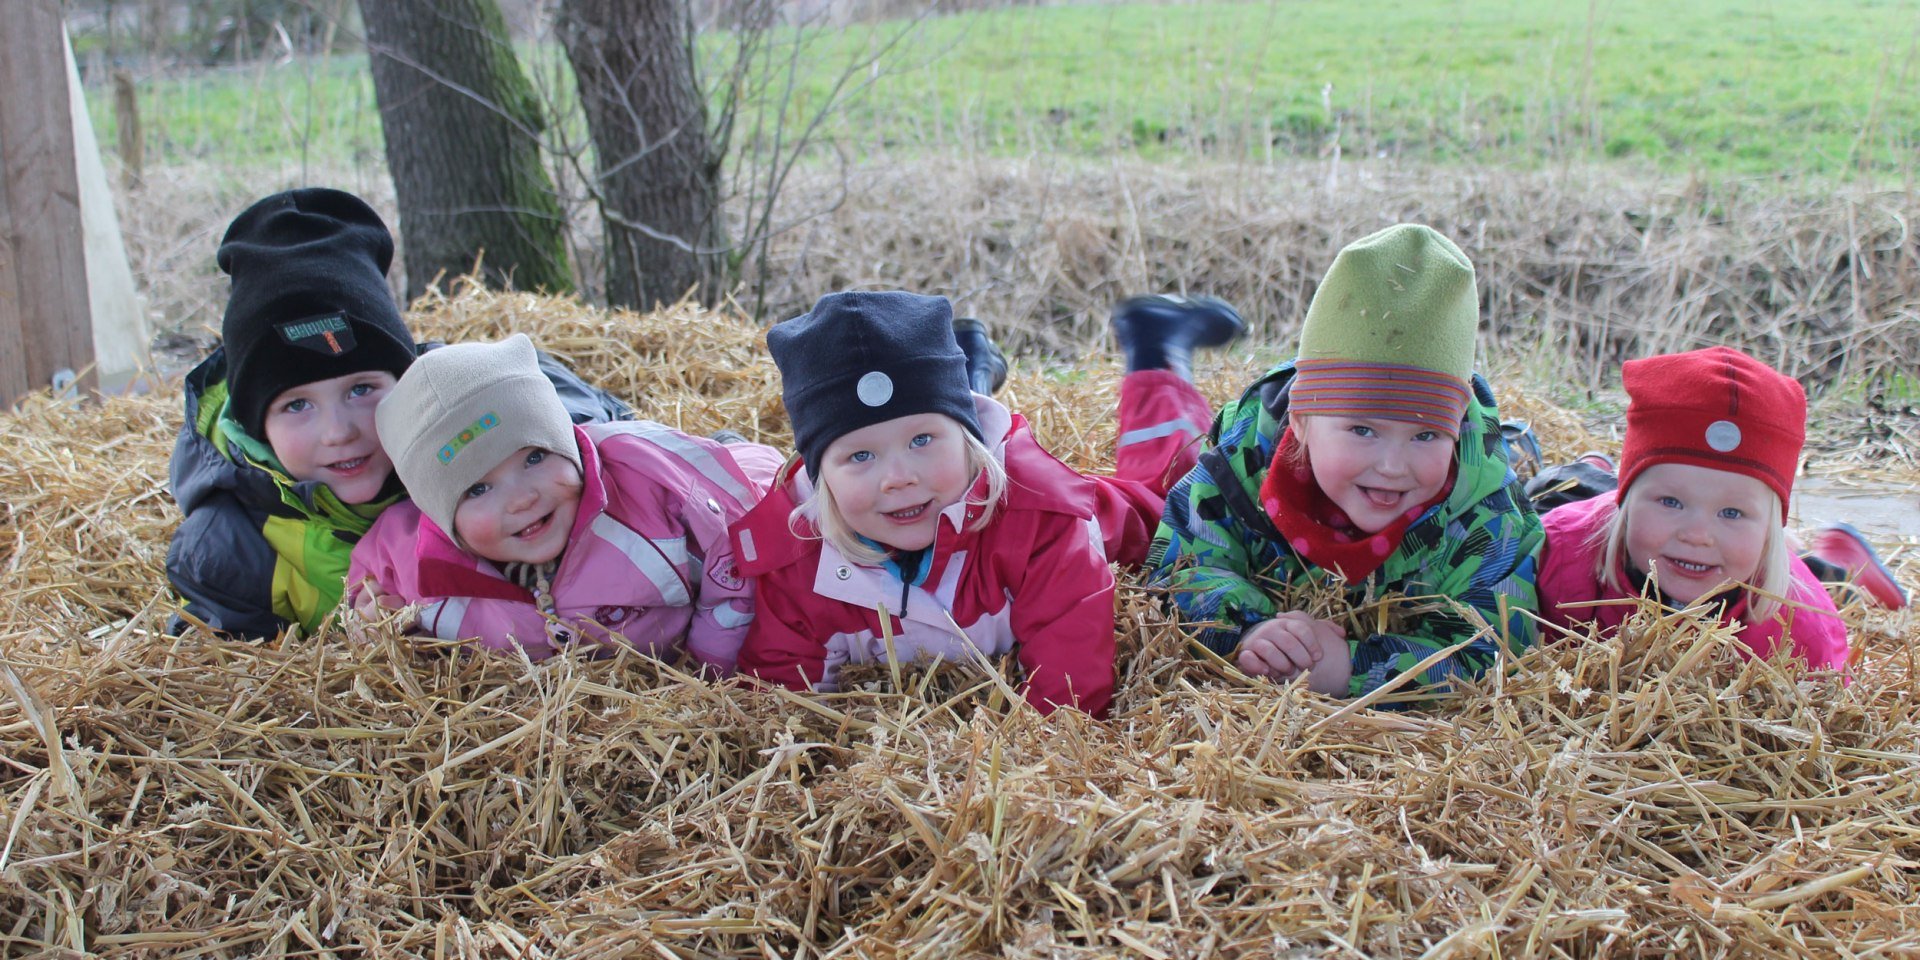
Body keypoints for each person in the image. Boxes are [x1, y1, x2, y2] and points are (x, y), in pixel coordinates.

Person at [731, 290, 1241, 718]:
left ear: (971, 444)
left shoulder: (1044, 522)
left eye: (922, 440)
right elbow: (779, 700)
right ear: (821, 478)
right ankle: (969, 372)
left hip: (1044, 507)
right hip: (962, 480)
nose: (898, 479)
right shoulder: (797, 554)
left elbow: (1069, 681)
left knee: (1176, 490)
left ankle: (1157, 347)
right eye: (859, 455)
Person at [166, 188, 628, 638]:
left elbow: (611, 439)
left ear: (404, 381)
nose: (338, 432)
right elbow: (230, 681)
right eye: (297, 405)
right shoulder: (232, 550)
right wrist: (356, 641)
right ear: (256, 426)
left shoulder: (470, 404)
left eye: (361, 389)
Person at [1150, 224, 1542, 700]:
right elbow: (1180, 565)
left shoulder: (1486, 513)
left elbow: (1498, 648)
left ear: (1456, 430)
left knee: (1531, 469)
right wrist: (1247, 630)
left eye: (1426, 434)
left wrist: (1353, 670)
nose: (1393, 466)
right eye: (1363, 430)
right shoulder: (1243, 464)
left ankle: (1521, 442)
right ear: (1301, 420)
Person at [347, 335, 782, 674]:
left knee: (758, 478)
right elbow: (365, 577)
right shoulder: (416, 559)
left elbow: (734, 564)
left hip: (713, 476)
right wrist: (368, 617)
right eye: (478, 489)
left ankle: (727, 443)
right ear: (442, 518)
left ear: (565, 446)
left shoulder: (656, 495)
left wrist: (710, 670)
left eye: (534, 457)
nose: (522, 497)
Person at [1535, 346, 1849, 669]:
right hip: (1580, 501)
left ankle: (1824, 561)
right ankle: (1593, 467)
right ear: (1627, 499)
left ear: (1770, 529)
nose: (1698, 535)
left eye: (1732, 513)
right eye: (1671, 502)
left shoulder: (1801, 635)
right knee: (1559, 485)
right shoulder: (1556, 558)